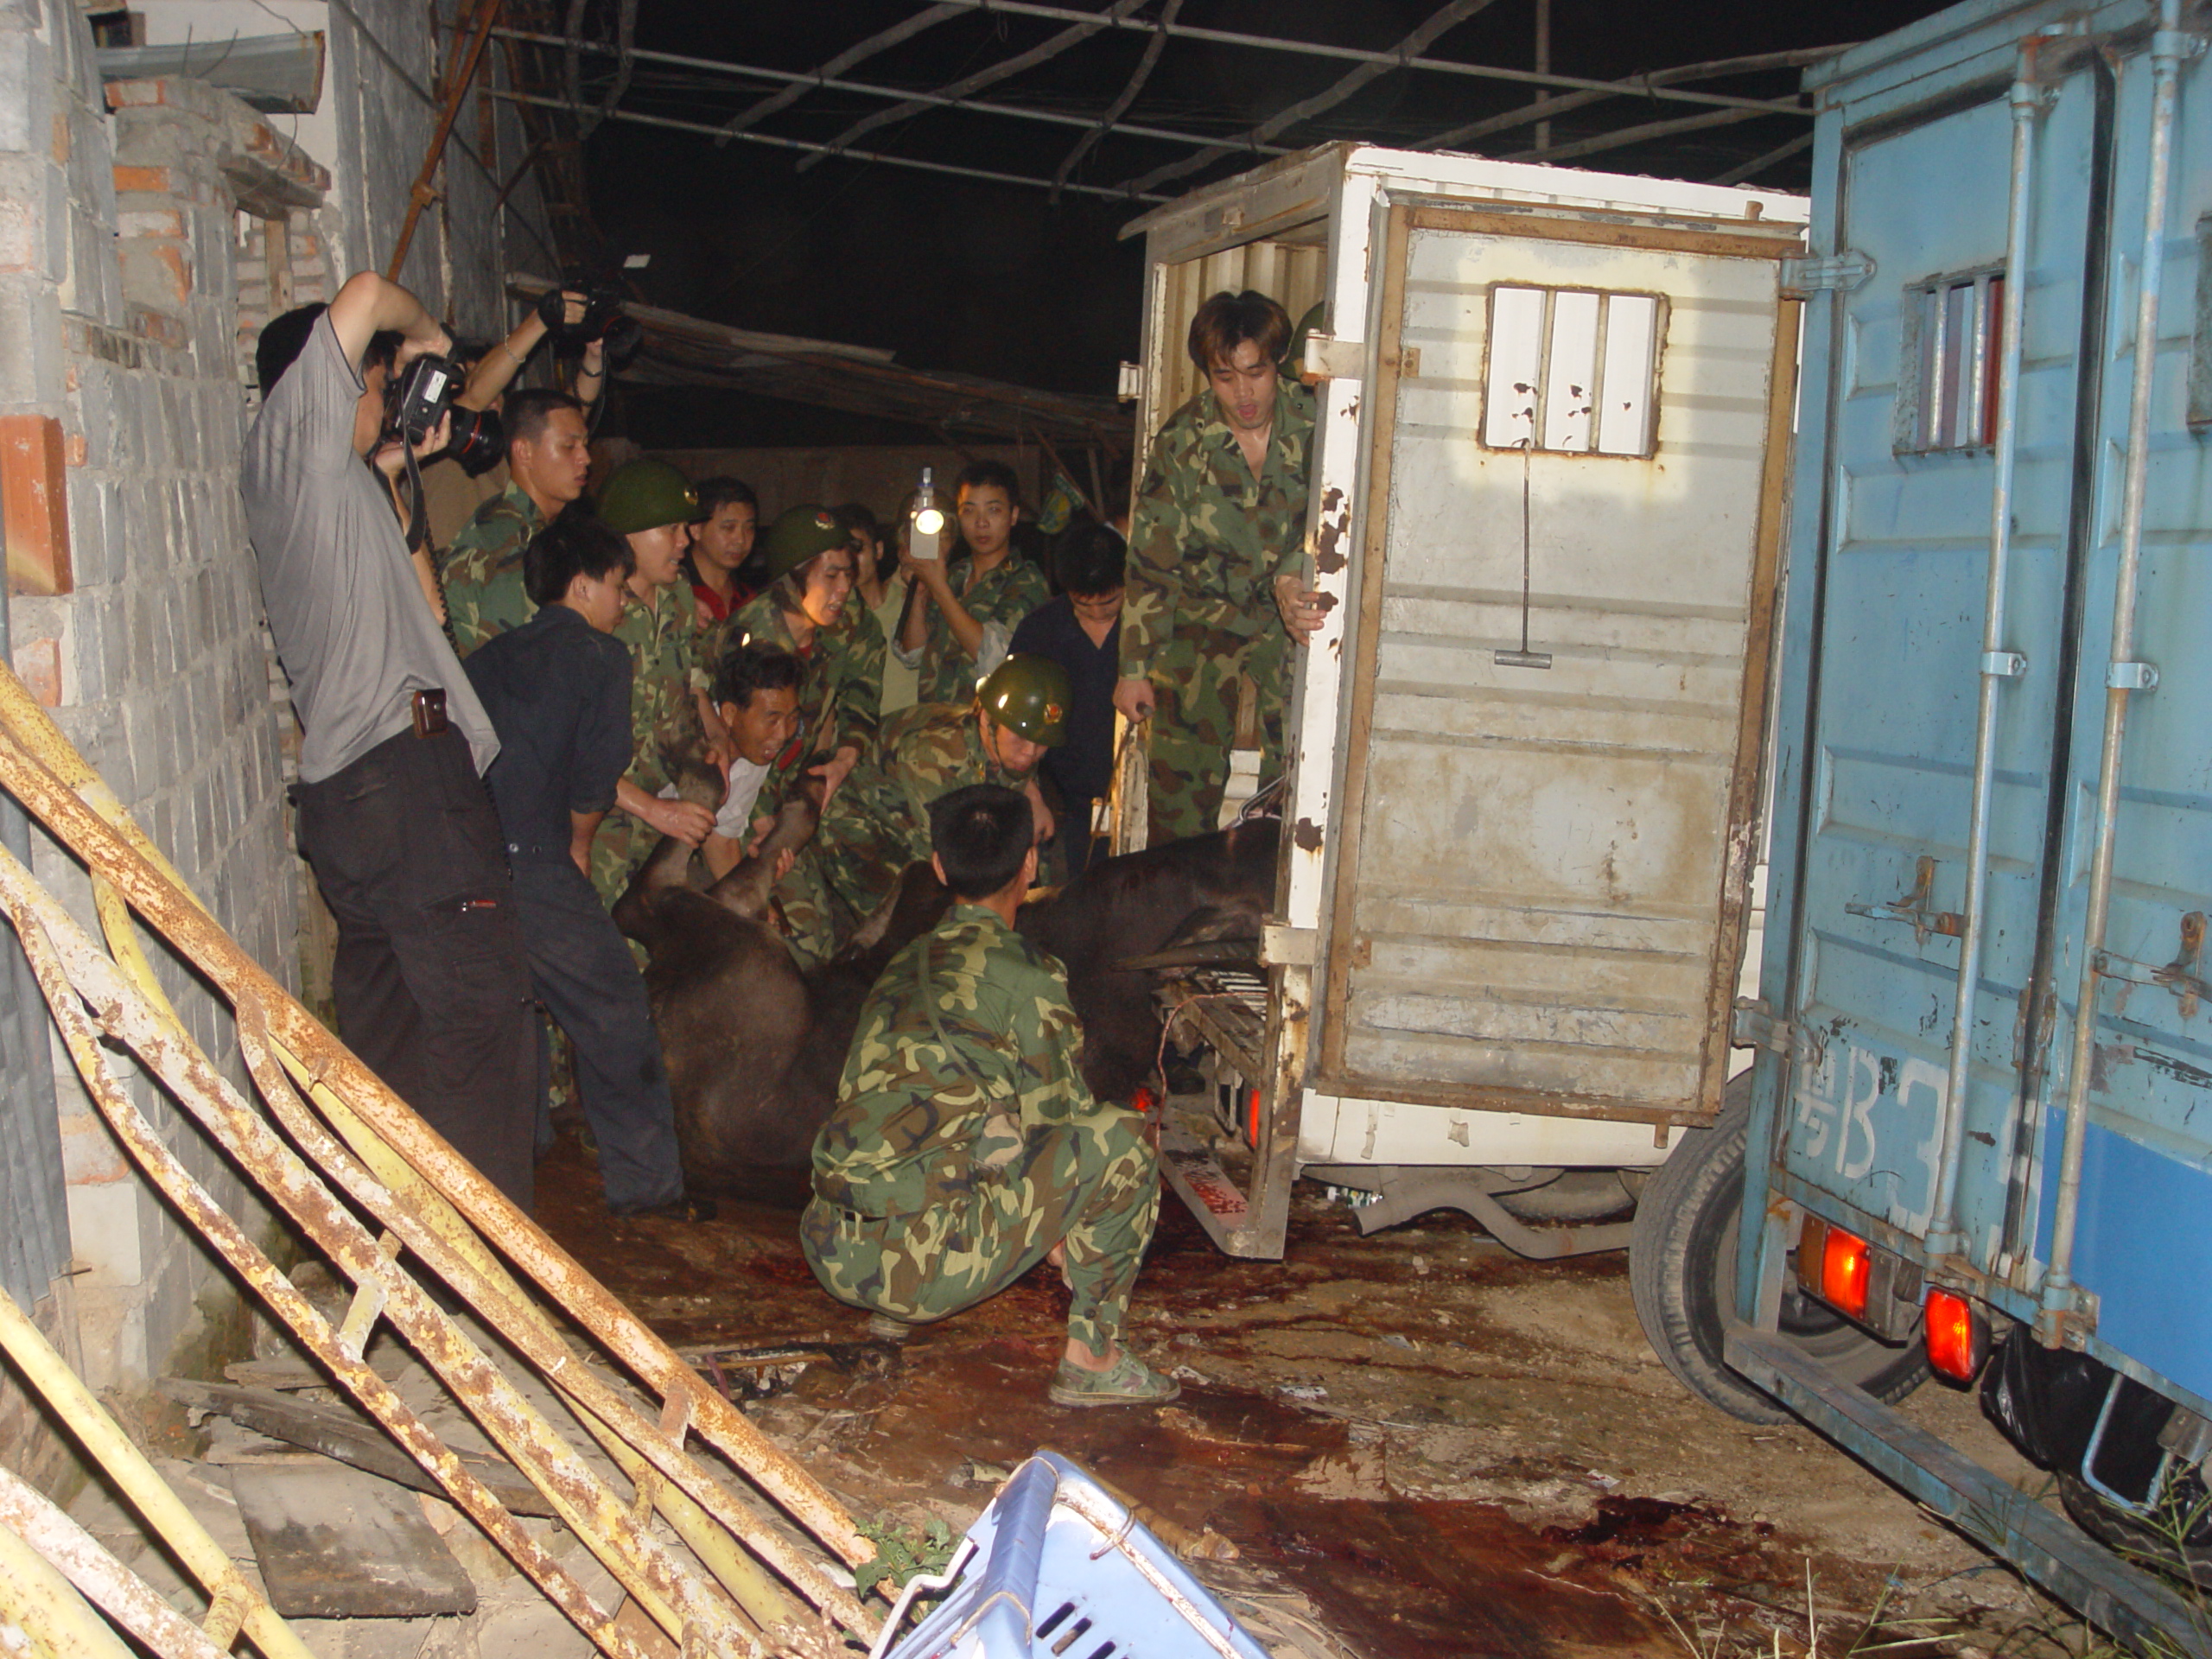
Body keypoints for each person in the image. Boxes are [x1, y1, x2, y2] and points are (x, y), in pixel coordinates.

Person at [242, 275, 537, 1208]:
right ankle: (491, 1278)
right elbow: (369, 291)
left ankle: (403, 1251)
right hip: (404, 782)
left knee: (399, 1038)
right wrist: (430, 339)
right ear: (327, 381)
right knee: (483, 1022)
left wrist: (396, 468)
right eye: (379, 380)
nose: (387, 396)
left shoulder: (337, 486)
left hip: (368, 797)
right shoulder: (292, 438)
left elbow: (429, 616)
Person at [801, 784, 1173, 1407]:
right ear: (1030, 864)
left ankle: (892, 1313)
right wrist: (1063, 1234)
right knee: (1125, 1138)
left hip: (831, 1245)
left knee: (961, 1115)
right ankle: (1094, 1360)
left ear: (939, 867)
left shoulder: (905, 963)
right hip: (925, 1272)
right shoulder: (1029, 975)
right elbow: (1061, 1127)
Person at [461, 515, 714, 1222]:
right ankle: (647, 1186)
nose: (624, 604)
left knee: (513, 1006)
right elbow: (595, 777)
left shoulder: (488, 659)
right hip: (536, 860)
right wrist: (575, 849)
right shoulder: (601, 657)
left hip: (473, 859)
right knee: (615, 1012)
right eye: (617, 589)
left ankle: (522, 1151)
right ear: (581, 587)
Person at [1114, 289, 1315, 843]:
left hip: (1287, 620)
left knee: (1300, 770)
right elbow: (1153, 562)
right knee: (1179, 785)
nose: (1243, 393)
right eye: (1225, 377)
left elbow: (1337, 517)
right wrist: (1133, 668)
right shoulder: (1182, 442)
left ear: (1278, 364)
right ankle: (1178, 886)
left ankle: (1275, 878)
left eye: (1256, 373)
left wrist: (1295, 572)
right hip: (1203, 618)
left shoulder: (1317, 422)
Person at [776, 654, 1070, 969]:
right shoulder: (937, 758)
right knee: (918, 922)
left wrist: (1032, 799)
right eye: (1020, 738)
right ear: (987, 720)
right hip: (856, 822)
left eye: (1041, 743)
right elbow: (949, 867)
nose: (1030, 753)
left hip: (911, 815)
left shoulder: (1008, 745)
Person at [701, 505, 882, 875]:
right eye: (830, 576)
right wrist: (762, 819)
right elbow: (733, 757)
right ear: (791, 579)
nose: (844, 588)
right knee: (777, 904)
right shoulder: (747, 642)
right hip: (740, 807)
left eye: (848, 574)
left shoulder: (850, 616)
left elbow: (862, 689)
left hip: (805, 781)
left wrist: (845, 758)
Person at [593, 460, 730, 907]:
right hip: (604, 814)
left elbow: (688, 675)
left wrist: (715, 734)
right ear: (629, 534)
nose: (685, 541)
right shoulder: (594, 610)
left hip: (665, 800)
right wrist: (653, 810)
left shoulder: (678, 595)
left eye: (685, 528)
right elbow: (568, 742)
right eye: (671, 529)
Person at [1010, 524, 1125, 878]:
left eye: (1109, 604)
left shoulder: (1154, 627)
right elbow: (1013, 726)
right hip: (1077, 805)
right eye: (1083, 605)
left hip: (1156, 799)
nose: (1097, 614)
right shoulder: (1039, 632)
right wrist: (1029, 791)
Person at [440, 389, 593, 655]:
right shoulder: (505, 541)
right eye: (569, 446)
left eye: (585, 445)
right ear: (524, 452)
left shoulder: (556, 532)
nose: (586, 458)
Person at [899, 461, 1049, 705]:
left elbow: (996, 656)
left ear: (1013, 516)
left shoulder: (1026, 580)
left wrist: (939, 589)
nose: (981, 523)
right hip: (934, 722)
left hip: (987, 725)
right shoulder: (953, 575)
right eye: (969, 511)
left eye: (993, 510)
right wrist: (920, 592)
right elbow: (913, 654)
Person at [702, 642, 806, 880]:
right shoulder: (689, 739)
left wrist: (755, 893)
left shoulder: (755, 757)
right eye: (772, 720)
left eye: (792, 719)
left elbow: (721, 840)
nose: (783, 735)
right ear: (730, 714)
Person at [841, 502, 918, 718]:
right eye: (843, 551)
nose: (851, 560)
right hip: (857, 732)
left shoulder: (910, 601)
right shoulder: (831, 618)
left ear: (879, 550)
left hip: (912, 730)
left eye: (858, 549)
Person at [686, 476, 759, 630]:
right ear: (696, 529)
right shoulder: (676, 595)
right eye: (729, 528)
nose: (740, 540)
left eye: (749, 528)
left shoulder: (750, 599)